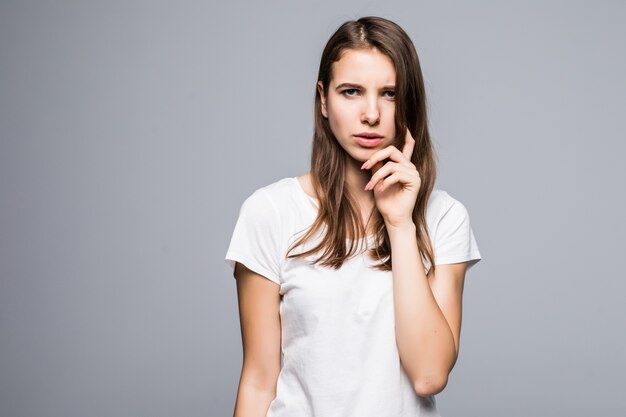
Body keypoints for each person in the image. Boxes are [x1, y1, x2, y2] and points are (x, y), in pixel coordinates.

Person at [224, 16, 482, 417]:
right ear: (324, 100)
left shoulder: (444, 217)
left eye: (390, 94)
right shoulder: (271, 211)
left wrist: (400, 225)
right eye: (351, 92)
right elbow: (258, 380)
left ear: (410, 103)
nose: (371, 113)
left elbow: (429, 375)